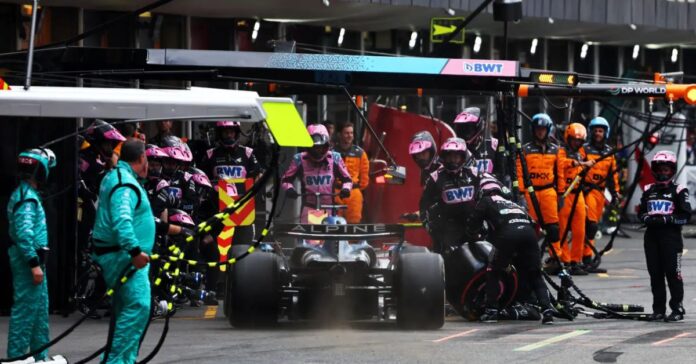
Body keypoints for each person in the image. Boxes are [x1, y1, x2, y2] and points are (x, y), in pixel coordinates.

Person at [91, 139, 155, 363]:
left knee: (126, 310)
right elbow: (122, 221)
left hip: (121, 255)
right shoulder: (124, 184)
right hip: (124, 258)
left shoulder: (119, 178)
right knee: (138, 306)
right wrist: (136, 252)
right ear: (141, 158)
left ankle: (124, 360)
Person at [471, 177, 554, 324]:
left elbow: (472, 226)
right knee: (535, 274)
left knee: (493, 270)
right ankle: (547, 312)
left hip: (508, 234)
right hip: (529, 234)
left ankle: (491, 311)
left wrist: (475, 236)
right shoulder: (514, 204)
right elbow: (536, 227)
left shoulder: (486, 201)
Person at [6, 148, 56, 361]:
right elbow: (24, 234)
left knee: (38, 316)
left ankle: (40, 358)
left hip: (34, 262)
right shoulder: (26, 198)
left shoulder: (28, 195)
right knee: (25, 314)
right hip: (29, 263)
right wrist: (34, 264)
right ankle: (16, 359)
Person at [638, 150, 691, 322]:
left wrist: (667, 219)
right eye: (660, 169)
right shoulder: (648, 189)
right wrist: (645, 217)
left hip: (671, 238)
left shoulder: (680, 190)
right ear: (654, 170)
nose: (663, 172)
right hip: (651, 237)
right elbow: (641, 212)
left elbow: (686, 216)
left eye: (666, 170)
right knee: (655, 274)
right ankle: (658, 309)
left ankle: (677, 308)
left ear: (672, 170)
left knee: (673, 274)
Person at [419, 137, 484, 253]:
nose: (452, 160)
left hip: (472, 229)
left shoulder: (474, 173)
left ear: (463, 157)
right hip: (446, 233)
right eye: (449, 157)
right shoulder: (435, 177)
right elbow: (424, 205)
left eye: (456, 156)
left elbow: (484, 197)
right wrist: (430, 228)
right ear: (444, 157)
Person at [515, 113, 561, 272]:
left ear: (548, 130)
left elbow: (560, 173)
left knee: (553, 228)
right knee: (530, 228)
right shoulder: (525, 150)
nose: (540, 132)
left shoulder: (556, 150)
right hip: (530, 193)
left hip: (549, 192)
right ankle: (531, 259)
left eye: (543, 129)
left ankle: (555, 259)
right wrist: (521, 193)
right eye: (537, 129)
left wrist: (560, 193)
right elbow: (519, 172)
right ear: (533, 130)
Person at [281, 124, 352, 223]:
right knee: (307, 237)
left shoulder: (335, 158)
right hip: (309, 208)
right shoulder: (299, 159)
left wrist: (346, 189)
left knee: (329, 236)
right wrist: (289, 189)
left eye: (321, 147)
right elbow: (286, 180)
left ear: (327, 144)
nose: (318, 151)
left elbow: (347, 179)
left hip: (329, 208)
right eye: (315, 147)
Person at [582, 117, 620, 269]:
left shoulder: (609, 152)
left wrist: (615, 194)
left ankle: (585, 257)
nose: (598, 133)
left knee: (593, 226)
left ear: (605, 133)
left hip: (600, 193)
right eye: (595, 130)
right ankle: (585, 257)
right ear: (591, 132)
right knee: (590, 225)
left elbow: (613, 176)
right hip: (586, 191)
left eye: (600, 131)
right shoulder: (584, 149)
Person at [557, 123, 595, 275]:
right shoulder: (561, 151)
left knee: (580, 229)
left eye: (579, 141)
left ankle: (576, 261)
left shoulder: (581, 152)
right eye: (574, 140)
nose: (576, 143)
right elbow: (562, 164)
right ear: (568, 138)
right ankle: (564, 261)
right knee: (563, 229)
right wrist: (581, 163)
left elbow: (585, 170)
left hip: (578, 193)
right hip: (564, 193)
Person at [333, 122, 369, 223]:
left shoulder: (360, 153)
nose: (349, 136)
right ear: (339, 134)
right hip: (335, 191)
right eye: (346, 133)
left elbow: (364, 178)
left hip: (354, 192)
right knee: (334, 222)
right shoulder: (331, 152)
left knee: (354, 222)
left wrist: (356, 188)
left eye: (351, 133)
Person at [452, 107, 503, 177]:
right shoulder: (453, 149)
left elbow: (502, 173)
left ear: (478, 126)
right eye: (461, 128)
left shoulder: (493, 145)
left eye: (468, 128)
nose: (464, 131)